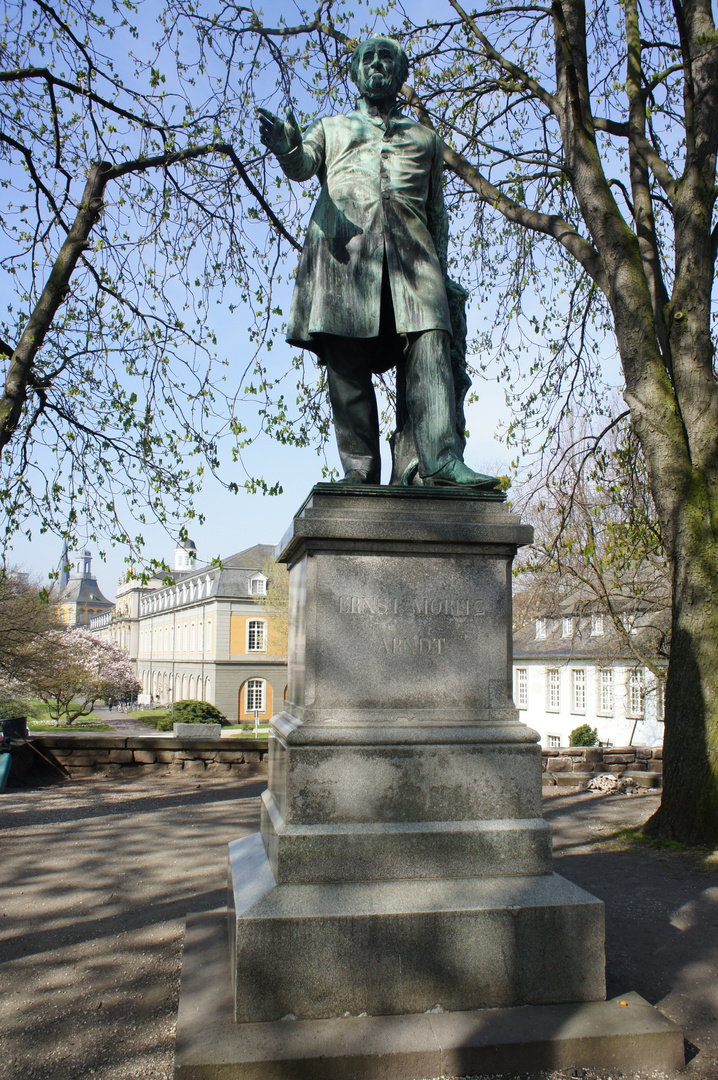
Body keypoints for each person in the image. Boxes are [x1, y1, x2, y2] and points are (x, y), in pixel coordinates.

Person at [257, 36, 499, 490]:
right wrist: (287, 148)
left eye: (386, 58)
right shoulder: (331, 128)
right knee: (346, 362)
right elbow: (303, 164)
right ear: (354, 73)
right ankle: (360, 468)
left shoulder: (425, 139)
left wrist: (442, 274)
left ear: (401, 74)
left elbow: (437, 215)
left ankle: (441, 460)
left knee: (432, 342)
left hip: (415, 258)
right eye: (366, 59)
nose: (376, 65)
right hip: (343, 256)